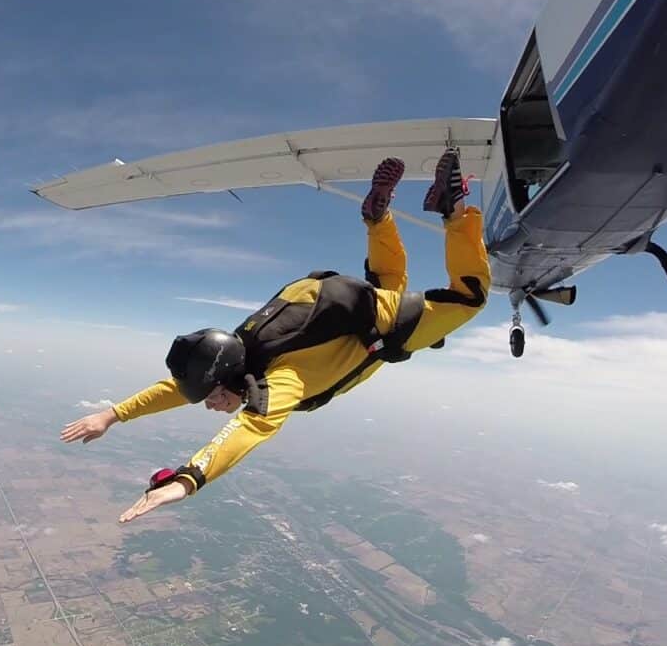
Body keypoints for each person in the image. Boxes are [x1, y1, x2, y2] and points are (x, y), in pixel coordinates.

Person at [60, 148, 491, 523]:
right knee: (388, 279)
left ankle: (453, 209)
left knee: (470, 296)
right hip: (348, 306)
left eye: (214, 397)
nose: (212, 406)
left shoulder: (279, 378)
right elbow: (178, 388)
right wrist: (111, 415)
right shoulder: (235, 348)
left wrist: (189, 478)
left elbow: (251, 427)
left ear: (229, 379)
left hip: (376, 324)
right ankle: (377, 217)